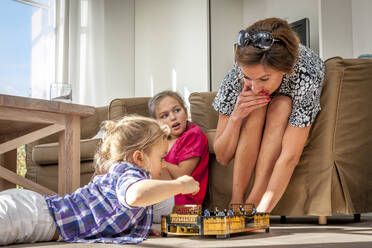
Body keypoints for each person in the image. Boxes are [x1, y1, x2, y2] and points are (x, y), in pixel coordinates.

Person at [0, 116, 199, 245]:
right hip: (31, 215)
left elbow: (113, 214)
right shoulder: (129, 173)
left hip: (35, 213)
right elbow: (138, 194)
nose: (164, 165)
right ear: (139, 158)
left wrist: (139, 228)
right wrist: (180, 185)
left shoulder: (128, 175)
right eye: (162, 157)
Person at [212, 17, 325, 213]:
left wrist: (261, 213)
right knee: (255, 104)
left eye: (264, 79)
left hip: (284, 110)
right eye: (248, 78)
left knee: (281, 104)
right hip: (255, 117)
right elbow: (222, 156)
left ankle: (252, 204)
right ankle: (236, 203)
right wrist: (237, 116)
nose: (255, 88)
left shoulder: (306, 74)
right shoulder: (235, 75)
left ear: (284, 71)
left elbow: (290, 157)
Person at [148, 91, 209, 208]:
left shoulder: (193, 135)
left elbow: (183, 174)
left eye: (177, 110)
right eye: (164, 116)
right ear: (157, 123)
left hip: (183, 202)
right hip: (163, 194)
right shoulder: (161, 139)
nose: (173, 117)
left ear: (185, 112)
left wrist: (157, 160)